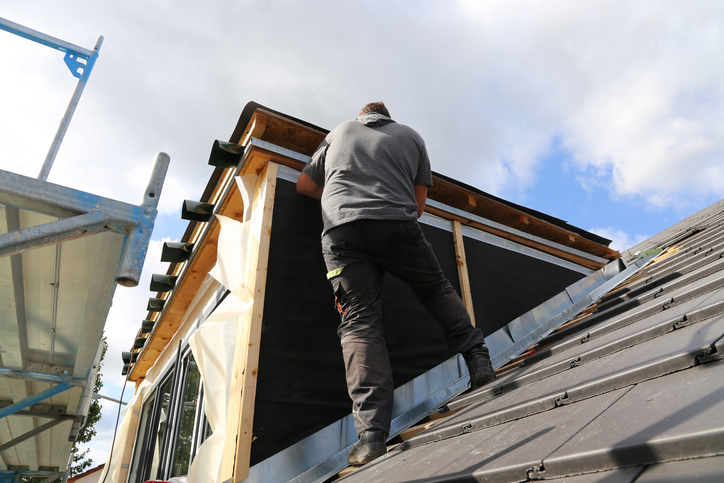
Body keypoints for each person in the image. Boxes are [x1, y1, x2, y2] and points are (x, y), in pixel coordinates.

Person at [296, 102, 494, 466]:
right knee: (434, 290)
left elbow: (305, 185)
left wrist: (341, 197)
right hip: (397, 226)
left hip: (342, 233)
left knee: (358, 321)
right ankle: (479, 361)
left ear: (362, 116)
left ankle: (371, 436)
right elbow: (418, 207)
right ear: (389, 117)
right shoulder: (412, 138)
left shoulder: (338, 132)